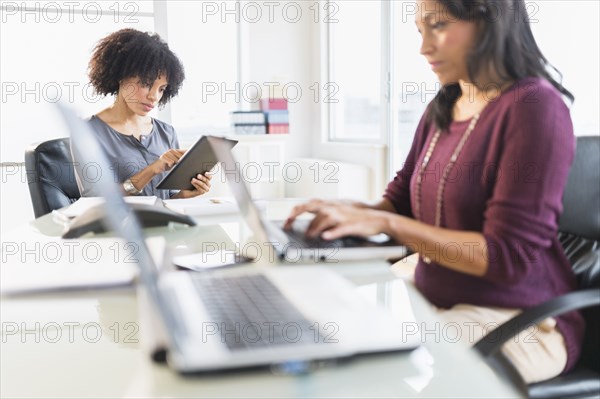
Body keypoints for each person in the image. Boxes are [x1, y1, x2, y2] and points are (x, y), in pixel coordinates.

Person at [285, 0, 583, 384]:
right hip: (433, 306)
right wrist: (345, 211)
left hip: (520, 321)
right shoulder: (444, 106)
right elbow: (399, 203)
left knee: (373, 374)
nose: (424, 47)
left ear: (488, 18)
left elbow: (506, 257)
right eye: (419, 30)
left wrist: (382, 220)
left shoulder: (533, 107)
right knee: (320, 328)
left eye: (438, 25)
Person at [73, 28, 211, 200]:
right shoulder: (87, 132)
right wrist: (153, 169)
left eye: (161, 89)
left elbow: (166, 198)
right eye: (146, 83)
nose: (154, 96)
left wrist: (185, 194)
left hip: (164, 226)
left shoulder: (166, 133)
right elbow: (98, 199)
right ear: (121, 76)